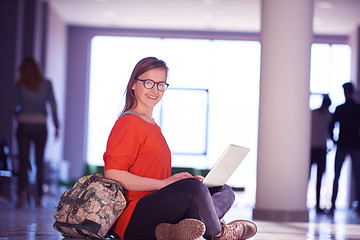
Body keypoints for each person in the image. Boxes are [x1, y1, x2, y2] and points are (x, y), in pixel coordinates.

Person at [103, 57, 257, 240]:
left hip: (158, 209)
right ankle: (222, 233)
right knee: (193, 188)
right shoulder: (128, 122)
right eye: (148, 82)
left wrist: (176, 183)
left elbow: (152, 173)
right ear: (133, 84)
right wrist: (164, 184)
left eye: (161, 84)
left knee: (223, 191)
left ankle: (173, 231)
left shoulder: (151, 125)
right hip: (134, 218)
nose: (155, 90)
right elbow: (113, 174)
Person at [12, 56, 59, 208]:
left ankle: (21, 194)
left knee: (24, 161)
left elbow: (13, 107)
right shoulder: (46, 84)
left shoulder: (20, 85)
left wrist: (18, 113)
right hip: (40, 126)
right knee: (39, 161)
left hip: (24, 125)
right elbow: (53, 105)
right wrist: (57, 125)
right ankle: (39, 197)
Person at [328, 82, 360, 215]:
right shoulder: (356, 108)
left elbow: (331, 127)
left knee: (338, 175)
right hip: (352, 145)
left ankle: (333, 206)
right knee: (356, 176)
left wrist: (334, 140)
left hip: (344, 145)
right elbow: (331, 127)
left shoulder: (340, 108)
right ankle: (357, 207)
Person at [309, 95, 332, 214]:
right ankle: (304, 203)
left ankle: (317, 205)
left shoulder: (329, 115)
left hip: (322, 149)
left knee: (319, 178)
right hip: (311, 149)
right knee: (307, 178)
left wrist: (331, 143)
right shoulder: (311, 114)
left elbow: (329, 132)